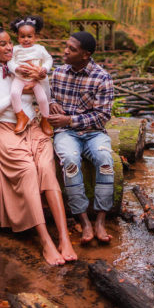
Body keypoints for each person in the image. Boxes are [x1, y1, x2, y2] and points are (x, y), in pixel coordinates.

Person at [0, 26, 77, 265]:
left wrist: (40, 80)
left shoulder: (23, 63)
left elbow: (46, 97)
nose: (10, 47)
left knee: (46, 169)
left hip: (34, 128)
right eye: (3, 44)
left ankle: (64, 237)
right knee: (28, 171)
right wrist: (16, 95)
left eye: (11, 43)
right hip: (6, 130)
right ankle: (45, 241)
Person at [48, 31, 115, 244]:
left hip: (94, 133)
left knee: (105, 161)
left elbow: (102, 116)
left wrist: (70, 120)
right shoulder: (58, 74)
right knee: (69, 161)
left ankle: (101, 220)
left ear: (85, 55)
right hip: (65, 134)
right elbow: (47, 96)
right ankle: (84, 220)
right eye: (66, 46)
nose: (65, 51)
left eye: (72, 49)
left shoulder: (102, 78)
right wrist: (51, 103)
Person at [7, 16, 54, 136]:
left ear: (35, 37)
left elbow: (48, 59)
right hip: (20, 78)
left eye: (29, 36)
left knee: (43, 99)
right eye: (22, 37)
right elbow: (10, 61)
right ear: (17, 37)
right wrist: (17, 68)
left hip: (35, 79)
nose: (26, 39)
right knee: (14, 93)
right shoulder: (16, 49)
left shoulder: (39, 49)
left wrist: (44, 68)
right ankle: (21, 116)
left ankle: (45, 119)